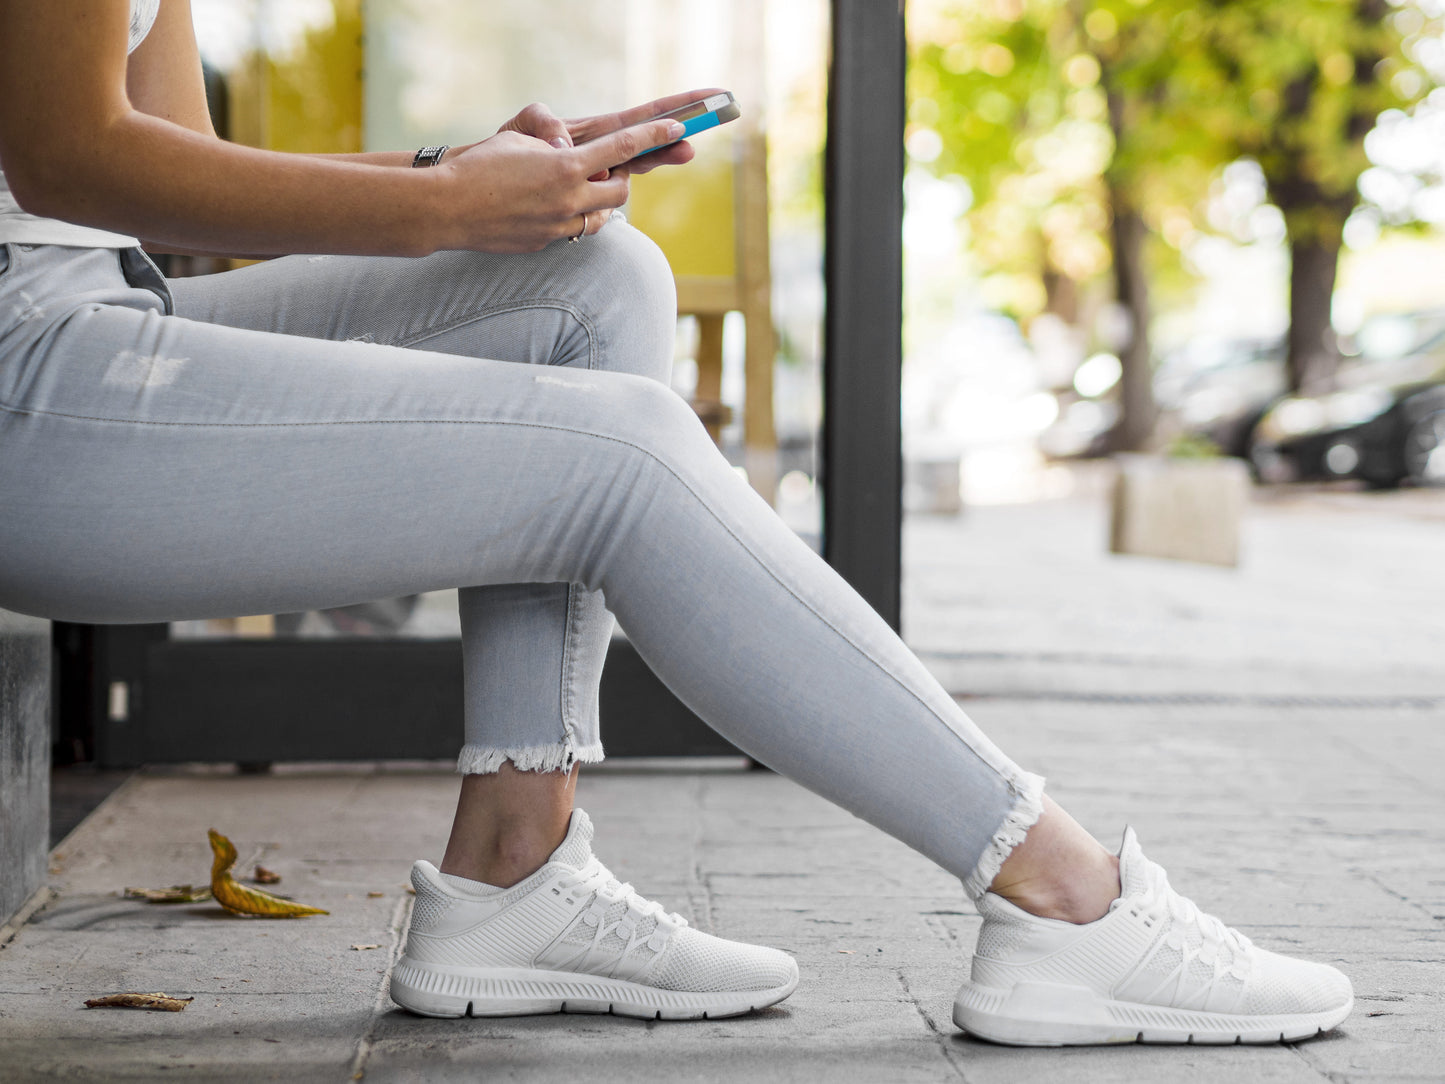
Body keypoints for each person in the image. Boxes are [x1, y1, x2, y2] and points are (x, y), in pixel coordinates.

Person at [0, 0, 1352, 1045]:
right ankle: (1064, 896)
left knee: (590, 276)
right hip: (26, 385)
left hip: (104, 318)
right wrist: (432, 209)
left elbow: (172, 184)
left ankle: (510, 881)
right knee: (624, 454)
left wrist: (468, 174)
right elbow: (66, 158)